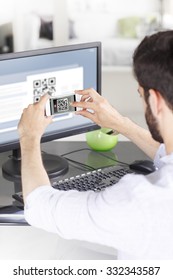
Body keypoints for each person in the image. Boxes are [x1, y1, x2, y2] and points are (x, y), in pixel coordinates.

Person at [18, 31, 173, 259]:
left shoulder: (140, 200)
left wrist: (29, 137)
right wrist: (120, 123)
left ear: (155, 100)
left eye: (140, 94)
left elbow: (40, 206)